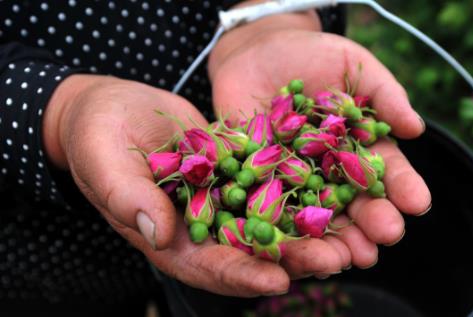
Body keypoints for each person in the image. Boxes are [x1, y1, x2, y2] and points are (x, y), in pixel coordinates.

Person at [0, 0, 431, 303]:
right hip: (46, 240)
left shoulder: (262, 167)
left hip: (222, 120)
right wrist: (60, 112)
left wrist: (270, 18)